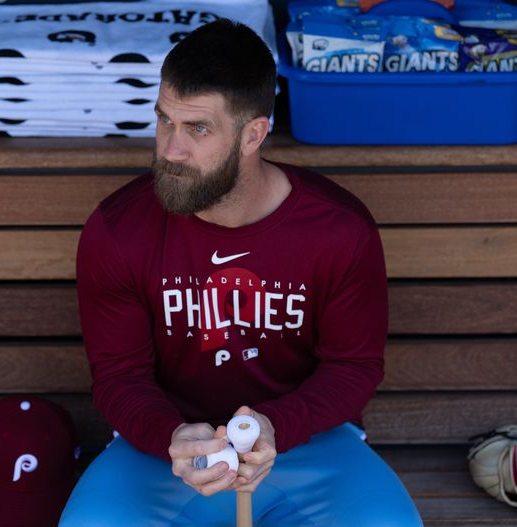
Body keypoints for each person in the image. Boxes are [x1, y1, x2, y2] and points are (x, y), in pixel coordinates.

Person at [60, 19, 422, 527]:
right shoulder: (119, 229)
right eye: (165, 120)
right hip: (164, 452)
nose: (170, 150)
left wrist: (278, 425)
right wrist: (173, 436)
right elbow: (120, 376)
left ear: (254, 134)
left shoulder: (338, 230)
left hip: (306, 448)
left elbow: (354, 367)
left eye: (198, 129)